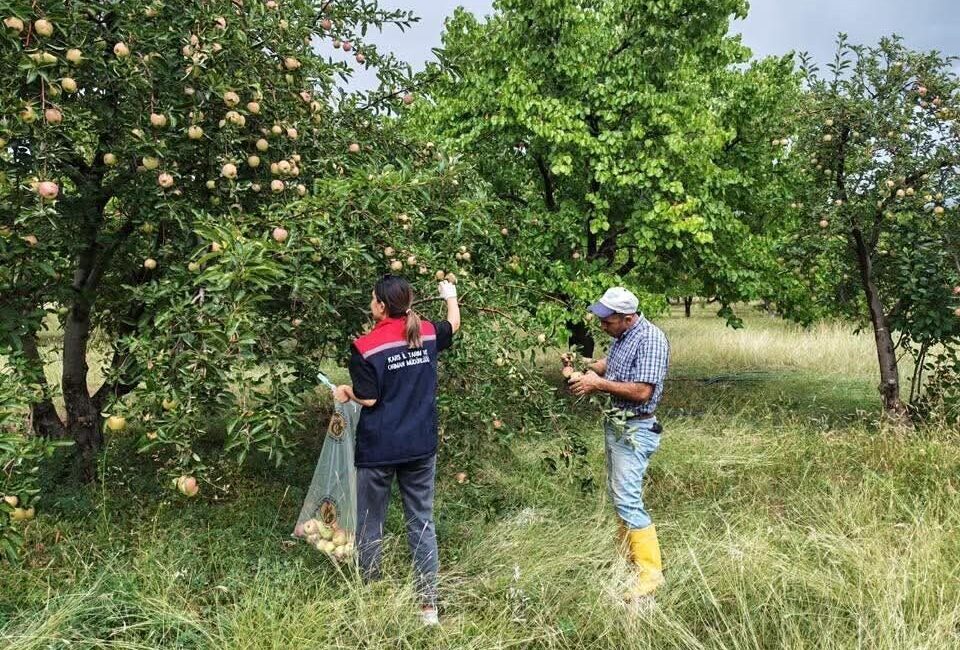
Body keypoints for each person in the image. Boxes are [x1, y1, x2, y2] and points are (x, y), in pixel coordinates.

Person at [335, 275, 460, 626]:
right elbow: (453, 324)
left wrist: (346, 391)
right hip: (420, 446)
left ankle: (371, 597)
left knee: (370, 522)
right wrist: (450, 295)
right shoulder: (426, 333)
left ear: (381, 305)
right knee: (421, 521)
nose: (370, 303)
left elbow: (369, 399)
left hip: (379, 448)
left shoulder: (365, 347)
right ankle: (428, 607)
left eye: (372, 299)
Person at [567, 287, 670, 601]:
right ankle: (630, 559)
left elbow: (642, 392)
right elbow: (609, 365)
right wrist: (582, 364)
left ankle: (651, 575)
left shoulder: (651, 339)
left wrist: (598, 385)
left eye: (607, 321)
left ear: (628, 317)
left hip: (635, 428)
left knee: (627, 498)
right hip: (617, 425)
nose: (602, 326)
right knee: (619, 493)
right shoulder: (623, 336)